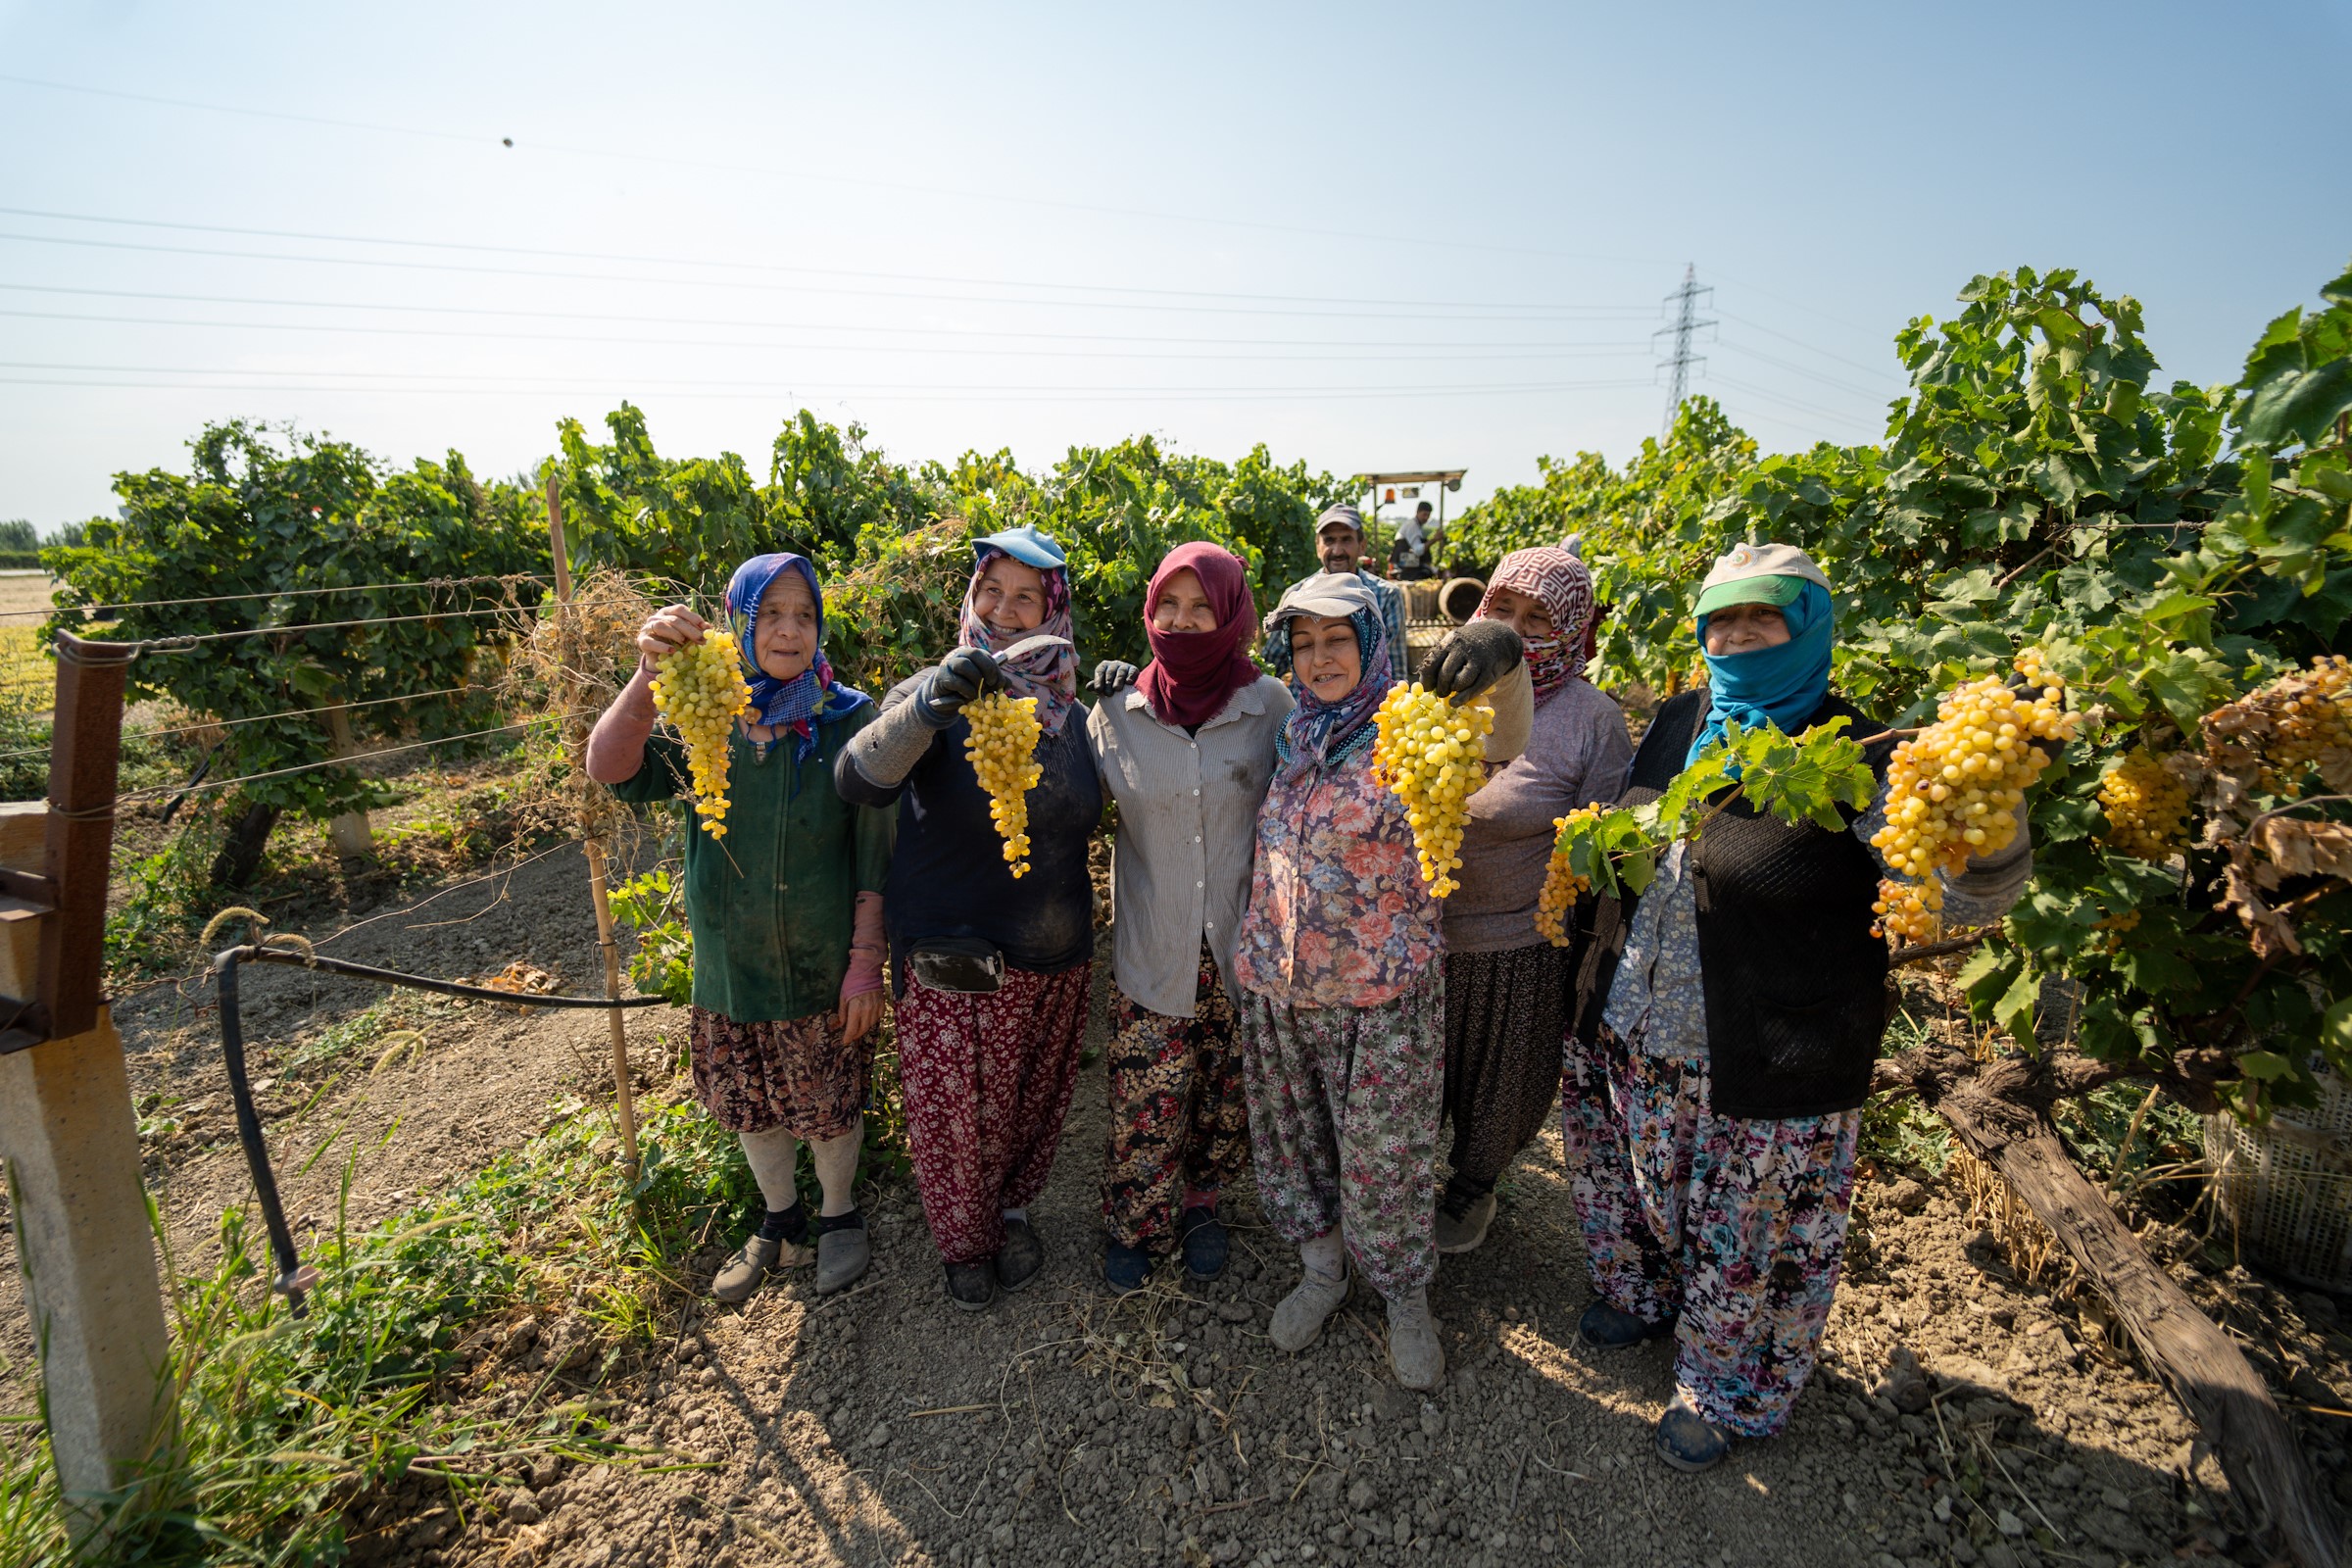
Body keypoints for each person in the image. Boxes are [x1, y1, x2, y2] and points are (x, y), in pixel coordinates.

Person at [1563, 541, 2034, 1472]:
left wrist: (1993, 825)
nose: (1737, 637)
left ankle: (1724, 1388)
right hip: (1632, 1024)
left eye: (1762, 618)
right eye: (1720, 622)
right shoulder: (1683, 721)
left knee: (1754, 1231)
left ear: (1809, 629)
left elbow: (1950, 897)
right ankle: (1644, 1294)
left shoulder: (1855, 749)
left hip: (1771, 1049)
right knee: (1632, 1183)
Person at [1234, 572, 1530, 1391]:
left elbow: (1504, 741)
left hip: (1383, 994)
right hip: (1279, 984)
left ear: (1371, 647)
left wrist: (1504, 660)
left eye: (1338, 640)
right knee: (1296, 1147)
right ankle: (1323, 1272)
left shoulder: (1414, 731)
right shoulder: (1294, 734)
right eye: (1305, 643)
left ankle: (1405, 1297)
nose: (1320, 657)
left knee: (1384, 1159)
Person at [586, 553, 889, 1304]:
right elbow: (608, 767)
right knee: (752, 1102)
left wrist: (863, 961)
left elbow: (875, 852)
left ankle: (840, 1213)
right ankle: (779, 1218)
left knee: (827, 1102)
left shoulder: (850, 718)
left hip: (822, 964)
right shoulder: (699, 707)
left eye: (805, 615)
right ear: (739, 622)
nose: (790, 631)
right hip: (730, 963)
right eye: (772, 615)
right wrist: (649, 676)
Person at [834, 524, 1102, 1312]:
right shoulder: (932, 689)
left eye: (1027, 596)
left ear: (1053, 611)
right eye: (992, 590)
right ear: (971, 596)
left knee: (1032, 1101)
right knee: (956, 1119)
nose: (1007, 610)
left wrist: (1131, 704)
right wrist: (927, 706)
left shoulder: (1072, 710)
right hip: (954, 959)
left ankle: (1012, 1213)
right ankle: (964, 1243)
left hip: (1056, 955)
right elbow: (860, 780)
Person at [1081, 543, 1292, 1292]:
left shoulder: (1271, 706)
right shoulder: (1115, 712)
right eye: (1169, 605)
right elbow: (1066, 809)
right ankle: (1135, 1221)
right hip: (1153, 942)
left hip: (1240, 944)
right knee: (1145, 1091)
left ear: (1233, 613)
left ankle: (1201, 1201)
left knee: (1222, 1088)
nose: (1183, 621)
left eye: (1202, 606)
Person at [1434, 547, 1632, 1253]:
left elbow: (1601, 846)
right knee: (1415, 1079)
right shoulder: (1447, 687)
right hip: (1417, 934)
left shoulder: (1592, 720)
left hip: (1516, 942)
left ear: (1576, 628)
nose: (1515, 631)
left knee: (1498, 1086)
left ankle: (1472, 1187)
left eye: (1538, 617)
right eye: (1503, 610)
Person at [1300, 504, 1405, 660]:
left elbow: (1394, 672)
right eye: (1329, 540)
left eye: (1346, 540)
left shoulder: (1386, 596)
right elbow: (1273, 665)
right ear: (1318, 547)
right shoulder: (1297, 596)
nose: (1337, 551)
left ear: (1362, 546)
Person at [1389, 499, 1441, 581]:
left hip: (1408, 561)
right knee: (1426, 572)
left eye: (1428, 515)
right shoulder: (1412, 526)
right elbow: (1418, 550)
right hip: (1404, 563)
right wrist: (1434, 540)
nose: (1426, 518)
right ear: (1417, 512)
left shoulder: (1417, 526)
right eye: (1424, 514)